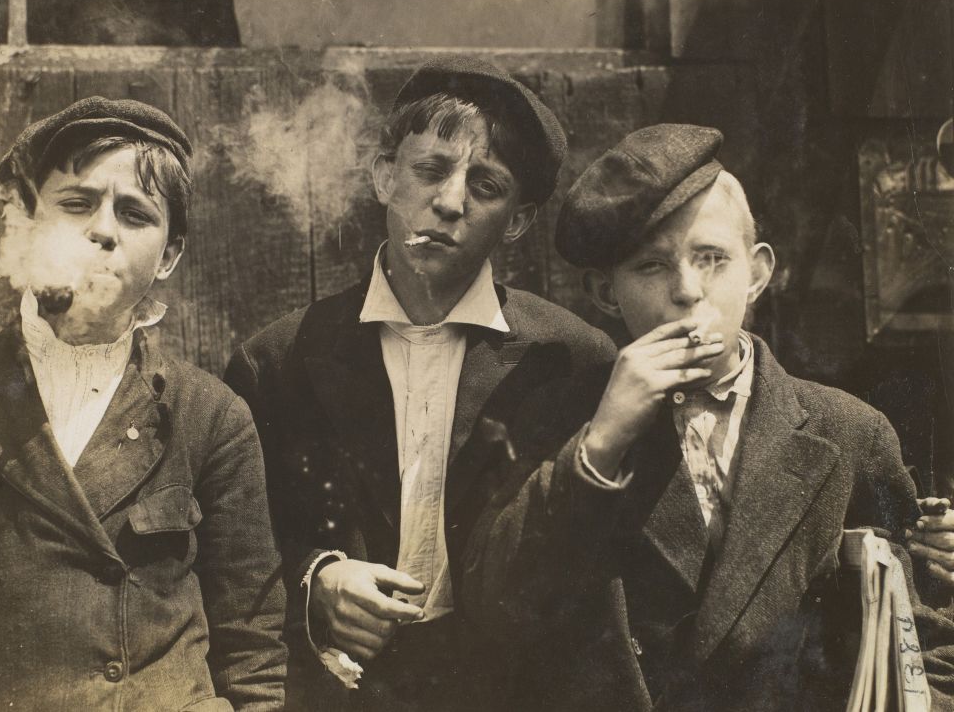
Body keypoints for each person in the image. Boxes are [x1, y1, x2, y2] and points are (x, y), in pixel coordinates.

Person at [460, 124, 954, 711]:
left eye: (712, 258)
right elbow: (495, 611)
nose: (687, 291)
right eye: (651, 266)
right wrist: (600, 445)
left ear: (758, 273)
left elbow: (924, 647)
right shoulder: (555, 424)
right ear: (604, 293)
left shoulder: (848, 431)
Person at [224, 56, 614, 711]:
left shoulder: (572, 363)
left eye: (486, 186)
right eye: (429, 170)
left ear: (516, 221)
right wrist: (316, 579)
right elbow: (236, 548)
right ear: (383, 177)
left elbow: (588, 567)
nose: (451, 200)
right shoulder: (281, 360)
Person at [0, 97, 288, 711]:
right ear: (26, 220)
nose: (103, 229)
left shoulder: (210, 416)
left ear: (169, 255)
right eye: (76, 203)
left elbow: (251, 644)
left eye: (135, 214)